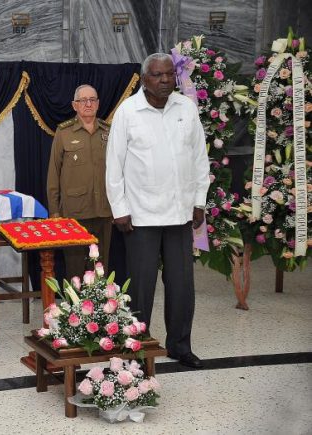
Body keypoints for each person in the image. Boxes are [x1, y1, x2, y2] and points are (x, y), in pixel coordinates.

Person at [105, 53, 210, 369]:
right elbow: (114, 166)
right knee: (141, 287)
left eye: (169, 75)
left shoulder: (186, 108)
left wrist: (199, 201)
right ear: (143, 79)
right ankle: (137, 346)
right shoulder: (128, 112)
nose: (165, 80)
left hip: (180, 215)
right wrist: (119, 209)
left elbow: (199, 159)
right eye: (157, 75)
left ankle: (179, 345)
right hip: (140, 217)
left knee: (182, 286)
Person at [46, 84, 113, 279]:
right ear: (75, 105)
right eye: (83, 100)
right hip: (74, 213)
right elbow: (53, 174)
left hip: (104, 210)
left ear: (98, 104)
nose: (88, 104)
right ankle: (75, 308)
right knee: (74, 268)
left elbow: (119, 171)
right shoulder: (64, 132)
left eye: (92, 100)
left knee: (100, 266)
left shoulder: (109, 132)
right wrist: (54, 211)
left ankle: (101, 308)